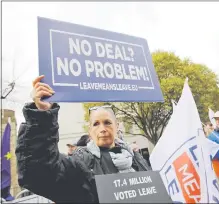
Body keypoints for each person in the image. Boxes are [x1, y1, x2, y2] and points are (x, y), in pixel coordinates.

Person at [15, 75, 151, 203]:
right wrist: (42, 116)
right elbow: (40, 172)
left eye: (107, 122)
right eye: (96, 124)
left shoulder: (135, 157)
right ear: (90, 132)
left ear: (117, 126)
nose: (102, 129)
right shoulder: (82, 161)